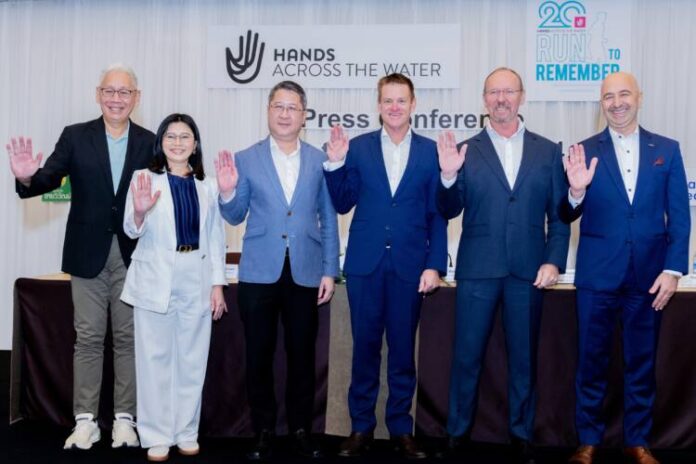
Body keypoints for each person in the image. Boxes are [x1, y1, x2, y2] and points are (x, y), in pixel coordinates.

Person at [6, 64, 154, 450]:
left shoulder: (150, 142)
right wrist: (26, 177)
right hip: (85, 252)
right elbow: (49, 177)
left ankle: (125, 420)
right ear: (98, 94)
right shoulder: (75, 136)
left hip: (134, 253)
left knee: (127, 337)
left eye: (124, 92)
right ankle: (85, 420)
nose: (116, 99)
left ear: (136, 98)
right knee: (87, 337)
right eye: (110, 91)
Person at [437, 67, 569, 464]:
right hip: (478, 268)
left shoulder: (548, 151)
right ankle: (456, 433)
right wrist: (448, 176)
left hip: (528, 271)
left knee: (524, 359)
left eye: (508, 91)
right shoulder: (465, 150)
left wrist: (554, 260)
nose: (501, 99)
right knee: (466, 357)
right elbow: (448, 209)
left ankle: (521, 435)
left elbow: (559, 216)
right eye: (493, 92)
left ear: (522, 96)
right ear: (484, 100)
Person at [562, 72, 690, 464]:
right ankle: (588, 440)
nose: (616, 103)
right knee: (590, 362)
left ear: (639, 97)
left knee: (642, 362)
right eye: (608, 97)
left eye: (624, 94)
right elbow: (565, 213)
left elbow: (680, 216)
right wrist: (576, 191)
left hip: (649, 278)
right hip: (597, 276)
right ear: (600, 103)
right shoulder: (583, 150)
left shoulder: (667, 150)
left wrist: (673, 269)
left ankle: (638, 440)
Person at [324, 73, 447, 459]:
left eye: (401, 100)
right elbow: (343, 202)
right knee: (364, 349)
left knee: (402, 353)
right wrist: (335, 164)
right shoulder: (358, 148)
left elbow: (438, 215)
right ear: (378, 105)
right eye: (388, 100)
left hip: (410, 267)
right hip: (366, 265)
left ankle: (400, 429)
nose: (395, 107)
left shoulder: (431, 152)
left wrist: (434, 265)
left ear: (413, 104)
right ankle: (361, 427)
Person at [215, 80, 339, 460]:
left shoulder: (320, 159)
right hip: (258, 272)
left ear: (304, 115)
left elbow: (328, 218)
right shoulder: (246, 158)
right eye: (278, 106)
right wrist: (227, 192)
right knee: (258, 356)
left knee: (302, 357)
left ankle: (301, 430)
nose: (285, 114)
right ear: (268, 111)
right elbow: (235, 215)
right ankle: (264, 431)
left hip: (305, 270)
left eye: (292, 108)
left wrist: (330, 270)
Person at [120, 113, 227, 462]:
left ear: (195, 145)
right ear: (161, 142)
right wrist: (139, 212)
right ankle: (156, 434)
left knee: (192, 360)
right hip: (156, 277)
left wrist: (218, 284)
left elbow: (216, 238)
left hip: (196, 274)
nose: (177, 142)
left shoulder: (208, 185)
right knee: (154, 360)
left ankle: (186, 431)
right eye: (171, 136)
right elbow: (131, 229)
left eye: (185, 137)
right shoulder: (143, 178)